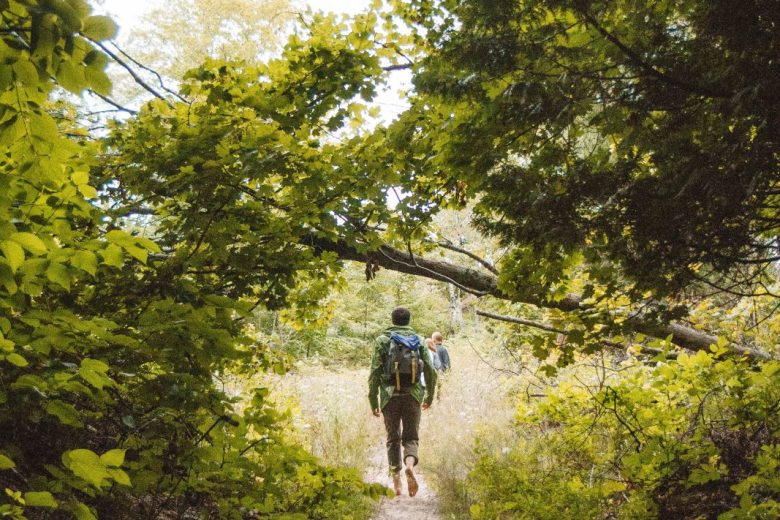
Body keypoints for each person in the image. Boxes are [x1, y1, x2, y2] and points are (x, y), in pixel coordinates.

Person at [369, 307, 437, 497]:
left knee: (393, 438)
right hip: (413, 394)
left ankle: (396, 480)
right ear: (409, 320)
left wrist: (373, 399)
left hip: (389, 396)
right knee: (411, 436)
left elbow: (374, 372)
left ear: (392, 320)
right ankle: (409, 465)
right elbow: (430, 370)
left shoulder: (382, 340)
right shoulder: (419, 340)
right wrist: (429, 396)